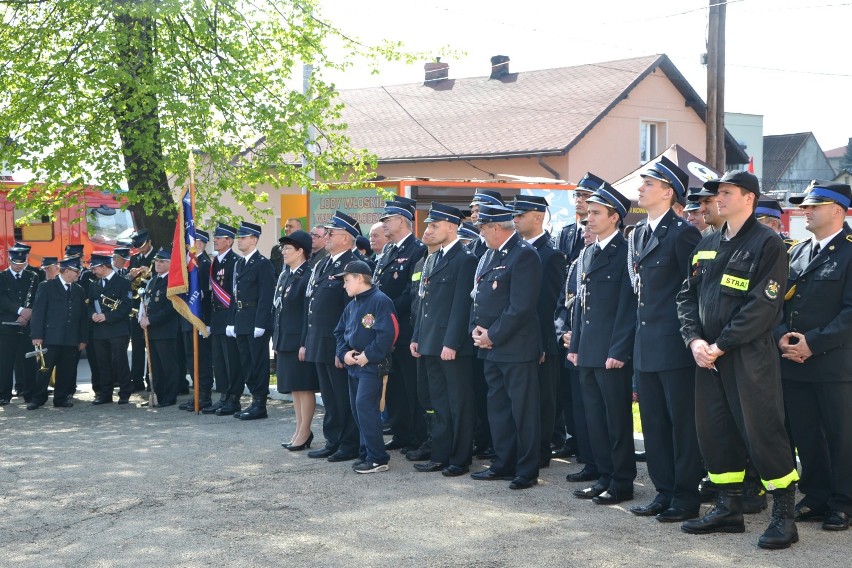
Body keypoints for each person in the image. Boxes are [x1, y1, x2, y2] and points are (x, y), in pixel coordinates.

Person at [677, 170, 800, 550]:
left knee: (762, 432)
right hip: (708, 358)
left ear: (748, 197)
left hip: (748, 357)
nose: (719, 199)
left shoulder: (767, 244)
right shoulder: (708, 242)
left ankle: (784, 516)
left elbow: (763, 306)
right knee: (714, 431)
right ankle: (728, 508)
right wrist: (695, 340)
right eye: (718, 194)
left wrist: (722, 344)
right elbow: (686, 297)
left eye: (727, 192)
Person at [627, 157, 704, 522]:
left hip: (675, 346)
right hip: (646, 346)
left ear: (668, 191)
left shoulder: (682, 233)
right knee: (654, 423)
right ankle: (664, 491)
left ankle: (686, 496)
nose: (640, 189)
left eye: (648, 184)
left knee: (681, 425)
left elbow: (694, 291)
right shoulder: (639, 233)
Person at [776, 181, 852, 532]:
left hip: (834, 363)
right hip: (793, 362)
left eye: (813, 206)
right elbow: (777, 301)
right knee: (805, 433)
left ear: (837, 210)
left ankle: (843, 502)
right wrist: (781, 338)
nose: (805, 211)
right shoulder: (798, 250)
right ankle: (817, 495)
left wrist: (813, 343)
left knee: (841, 435)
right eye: (804, 206)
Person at [567, 181, 637, 505]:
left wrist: (618, 351)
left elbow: (627, 306)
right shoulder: (588, 253)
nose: (589, 218)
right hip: (589, 351)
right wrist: (575, 347)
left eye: (596, 213)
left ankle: (622, 482)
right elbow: (581, 306)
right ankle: (604, 476)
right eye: (589, 212)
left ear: (614, 218)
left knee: (616, 421)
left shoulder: (624, 253)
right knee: (595, 419)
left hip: (611, 352)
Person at [470, 203, 542, 490]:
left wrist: (492, 335)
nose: (482, 234)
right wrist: (476, 331)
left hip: (515, 347)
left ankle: (526, 469)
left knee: (523, 410)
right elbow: (479, 297)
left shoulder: (524, 255)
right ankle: (503, 463)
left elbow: (521, 307)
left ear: (496, 228)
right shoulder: (489, 255)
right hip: (490, 348)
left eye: (484, 228)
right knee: (498, 408)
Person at [410, 202, 478, 476]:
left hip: (452, 348)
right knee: (438, 403)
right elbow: (423, 303)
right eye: (428, 225)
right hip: (429, 343)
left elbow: (462, 307)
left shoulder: (465, 259)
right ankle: (440, 454)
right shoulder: (432, 259)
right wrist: (417, 336)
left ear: (452, 227)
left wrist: (451, 343)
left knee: (458, 404)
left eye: (434, 225)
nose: (429, 230)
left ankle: (460, 459)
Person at [511, 195, 566, 469]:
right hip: (519, 341)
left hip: (542, 341)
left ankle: (542, 451)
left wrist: (545, 343)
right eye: (515, 214)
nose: (516, 219)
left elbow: (550, 305)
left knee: (543, 400)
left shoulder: (551, 254)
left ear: (538, 216)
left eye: (521, 214)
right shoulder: (516, 251)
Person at [303, 211, 361, 462]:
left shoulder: (353, 265)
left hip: (337, 344)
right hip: (320, 341)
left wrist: (344, 348)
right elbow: (313, 305)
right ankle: (333, 440)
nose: (325, 236)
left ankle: (349, 443)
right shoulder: (324, 262)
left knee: (343, 396)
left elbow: (352, 312)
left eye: (331, 233)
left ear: (347, 238)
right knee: (328, 396)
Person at [334, 260, 399, 474]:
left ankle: (377, 457)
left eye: (346, 280)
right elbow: (340, 332)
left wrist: (367, 355)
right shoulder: (352, 305)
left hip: (372, 366)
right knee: (357, 409)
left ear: (360, 278)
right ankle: (366, 452)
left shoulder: (380, 301)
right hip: (354, 365)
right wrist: (344, 354)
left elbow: (389, 333)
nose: (344, 285)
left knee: (366, 408)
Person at [374, 196, 427, 453]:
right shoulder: (389, 250)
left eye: (388, 219)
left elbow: (412, 290)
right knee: (393, 384)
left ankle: (418, 436)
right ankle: (400, 432)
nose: (383, 224)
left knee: (410, 385)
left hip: (404, 328)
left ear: (402, 221)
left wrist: (386, 310)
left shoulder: (417, 249)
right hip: (388, 330)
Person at [555, 222, 599, 482]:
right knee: (579, 408)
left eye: (590, 228)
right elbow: (563, 305)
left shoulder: (613, 257)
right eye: (583, 230)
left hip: (593, 347)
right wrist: (564, 334)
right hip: (572, 346)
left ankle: (601, 464)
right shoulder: (576, 263)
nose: (585, 234)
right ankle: (589, 460)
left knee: (596, 411)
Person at [273, 229, 318, 450]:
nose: (283, 252)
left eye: (288, 248)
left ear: (301, 251)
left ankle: (305, 431)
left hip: (297, 340)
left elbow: (306, 312)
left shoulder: (308, 275)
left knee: (304, 386)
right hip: (284, 338)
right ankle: (299, 429)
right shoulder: (286, 274)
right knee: (294, 388)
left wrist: (304, 342)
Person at [226, 221, 275, 421]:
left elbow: (266, 296)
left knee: (258, 362)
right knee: (246, 362)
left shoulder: (263, 264)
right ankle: (253, 399)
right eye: (239, 237)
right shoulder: (239, 263)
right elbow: (234, 294)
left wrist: (261, 324)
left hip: (255, 320)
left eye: (243, 237)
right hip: (241, 318)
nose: (240, 241)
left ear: (254, 240)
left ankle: (259, 402)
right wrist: (231, 321)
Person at [27, 257, 88, 409]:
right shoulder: (47, 287)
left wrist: (82, 338)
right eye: (76, 271)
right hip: (50, 336)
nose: (78, 274)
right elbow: (38, 313)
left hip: (70, 338)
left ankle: (60, 398)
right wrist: (36, 335)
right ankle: (38, 398)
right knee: (44, 370)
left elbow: (82, 317)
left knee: (66, 370)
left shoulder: (79, 290)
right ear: (66, 271)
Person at [205, 223, 243, 415]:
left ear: (229, 241)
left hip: (229, 316)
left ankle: (234, 398)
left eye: (220, 237)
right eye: (216, 237)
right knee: (219, 361)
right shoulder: (216, 262)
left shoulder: (235, 262)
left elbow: (235, 294)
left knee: (231, 361)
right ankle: (223, 396)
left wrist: (232, 320)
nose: (216, 240)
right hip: (217, 317)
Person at [87, 253, 134, 405]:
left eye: (95, 268)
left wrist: (108, 316)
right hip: (99, 330)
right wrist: (93, 314)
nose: (93, 271)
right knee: (102, 363)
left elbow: (126, 306)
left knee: (119, 361)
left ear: (103, 266)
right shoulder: (94, 284)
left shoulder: (122, 282)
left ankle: (125, 393)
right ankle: (105, 394)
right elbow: (89, 304)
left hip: (117, 329)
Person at [178, 229, 215, 412]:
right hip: (188, 319)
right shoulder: (188, 264)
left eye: (196, 242)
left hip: (200, 320)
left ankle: (205, 395)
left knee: (202, 358)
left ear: (201, 244)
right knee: (190, 358)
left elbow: (207, 295)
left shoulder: (206, 264)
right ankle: (196, 393)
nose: (193, 246)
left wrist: (205, 321)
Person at [139, 248, 180, 407]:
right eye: (156, 261)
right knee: (154, 365)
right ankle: (157, 395)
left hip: (165, 330)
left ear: (170, 263)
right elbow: (147, 303)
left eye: (162, 261)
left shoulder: (173, 281)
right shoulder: (152, 280)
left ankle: (169, 397)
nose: (158, 264)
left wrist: (151, 320)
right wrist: (143, 317)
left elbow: (171, 308)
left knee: (168, 365)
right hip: (151, 330)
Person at [0, 245, 40, 405]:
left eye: (22, 262)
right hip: (7, 325)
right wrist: (20, 310)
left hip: (27, 325)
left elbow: (36, 297)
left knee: (29, 361)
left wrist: (27, 313)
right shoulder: (1, 277)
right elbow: (2, 299)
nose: (19, 265)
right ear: (9, 260)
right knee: (5, 362)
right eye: (16, 262)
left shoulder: (33, 276)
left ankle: (29, 392)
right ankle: (4, 394)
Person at [128, 229, 156, 392]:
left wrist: (149, 272)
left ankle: (150, 378)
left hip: (151, 305)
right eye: (137, 246)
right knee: (137, 346)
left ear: (149, 242)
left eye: (142, 246)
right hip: (136, 306)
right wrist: (131, 275)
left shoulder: (157, 256)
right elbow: (129, 284)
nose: (140, 249)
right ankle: (136, 379)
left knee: (150, 346)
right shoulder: (134, 259)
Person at [557, 173, 599, 264]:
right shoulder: (565, 232)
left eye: (586, 195)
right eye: (577, 195)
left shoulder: (599, 232)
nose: (579, 200)